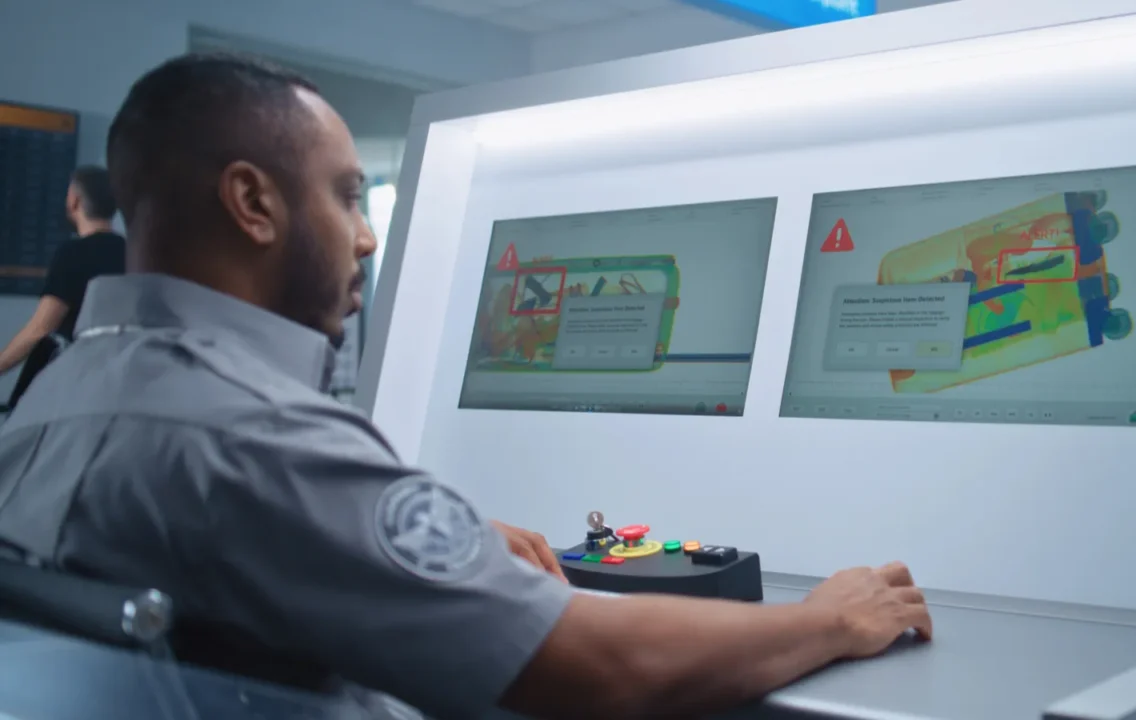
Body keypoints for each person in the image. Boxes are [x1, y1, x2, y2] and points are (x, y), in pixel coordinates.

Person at [0, 54, 932, 719]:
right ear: (253, 204)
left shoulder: (54, 395)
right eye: (346, 195)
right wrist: (824, 620)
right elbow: (596, 667)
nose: (364, 237)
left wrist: (402, 540)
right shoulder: (257, 440)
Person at [0, 166, 126, 408]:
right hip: (113, 388)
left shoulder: (73, 254)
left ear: (74, 200)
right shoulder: (130, 253)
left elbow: (40, 329)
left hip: (72, 386)